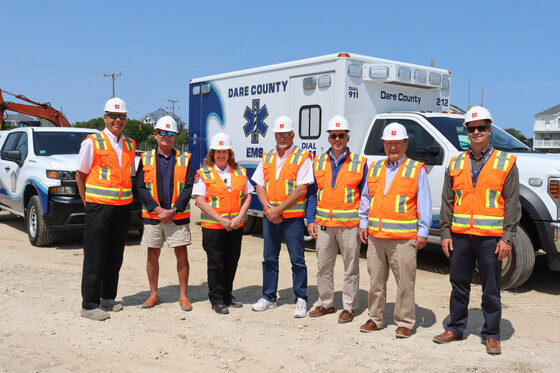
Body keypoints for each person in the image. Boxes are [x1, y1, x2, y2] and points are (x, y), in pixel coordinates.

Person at [433, 106, 520, 355]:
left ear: (489, 130)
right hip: (460, 237)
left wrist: (508, 237)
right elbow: (448, 200)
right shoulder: (456, 162)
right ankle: (456, 328)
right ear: (467, 132)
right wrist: (446, 233)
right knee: (458, 284)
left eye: (481, 128)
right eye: (472, 128)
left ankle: (492, 334)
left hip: (490, 238)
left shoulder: (506, 162)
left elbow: (513, 203)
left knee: (491, 287)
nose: (477, 132)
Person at [358, 122, 432, 338]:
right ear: (384, 144)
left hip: (403, 239)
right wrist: (363, 224)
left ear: (405, 145)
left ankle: (405, 322)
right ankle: (376, 318)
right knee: (376, 282)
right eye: (389, 143)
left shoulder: (416, 169)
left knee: (405, 283)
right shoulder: (375, 168)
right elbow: (365, 198)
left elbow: (424, 203)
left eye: (397, 143)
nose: (392, 148)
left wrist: (423, 231)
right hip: (376, 237)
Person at [76, 97, 136, 321]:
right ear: (105, 117)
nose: (117, 120)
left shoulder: (129, 144)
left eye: (121, 117)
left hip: (121, 207)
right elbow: (80, 174)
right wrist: (87, 201)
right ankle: (89, 304)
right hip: (99, 207)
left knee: (115, 254)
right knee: (95, 255)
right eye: (113, 116)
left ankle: (108, 297)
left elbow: (128, 175)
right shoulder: (92, 142)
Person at [305, 115, 367, 323]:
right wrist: (310, 219)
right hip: (323, 226)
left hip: (349, 226)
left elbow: (365, 197)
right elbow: (312, 193)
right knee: (323, 266)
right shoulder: (318, 161)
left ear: (347, 138)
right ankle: (326, 303)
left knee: (351, 268)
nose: (337, 139)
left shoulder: (359, 163)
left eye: (341, 135)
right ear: (328, 138)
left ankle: (348, 307)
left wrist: (363, 224)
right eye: (334, 136)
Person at [251, 116, 314, 318]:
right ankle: (269, 297)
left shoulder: (302, 157)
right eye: (279, 134)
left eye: (286, 134)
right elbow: (259, 185)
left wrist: (278, 210)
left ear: (292, 135)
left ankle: (301, 298)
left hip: (292, 218)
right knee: (269, 258)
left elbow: (301, 189)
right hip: (271, 216)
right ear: (275, 136)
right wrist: (268, 208)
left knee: (297, 259)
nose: (282, 138)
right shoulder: (267, 156)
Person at [136, 116, 194, 312]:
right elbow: (141, 187)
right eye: (163, 132)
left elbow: (188, 188)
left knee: (181, 254)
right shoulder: (145, 158)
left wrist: (173, 210)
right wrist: (157, 209)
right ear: (155, 135)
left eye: (171, 133)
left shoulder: (186, 159)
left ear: (175, 136)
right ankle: (153, 295)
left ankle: (183, 296)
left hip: (177, 217)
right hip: (154, 217)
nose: (166, 137)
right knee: (152, 254)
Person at [193, 132, 253, 315]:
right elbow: (200, 200)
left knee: (231, 262)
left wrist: (238, 218)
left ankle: (228, 296)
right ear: (212, 153)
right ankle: (217, 299)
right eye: (218, 152)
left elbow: (248, 196)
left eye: (224, 152)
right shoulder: (203, 173)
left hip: (234, 226)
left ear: (230, 153)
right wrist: (221, 220)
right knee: (216, 264)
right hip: (214, 228)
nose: (221, 155)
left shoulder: (240, 172)